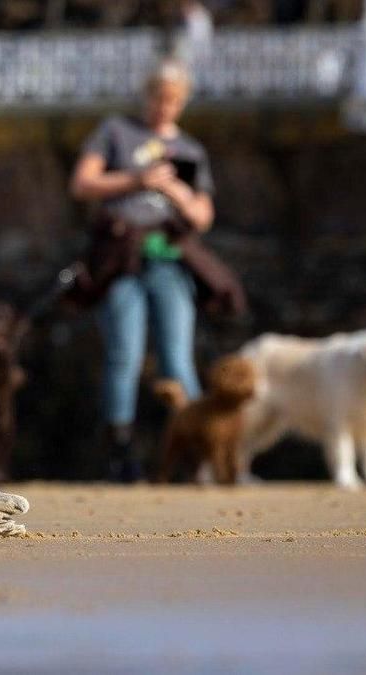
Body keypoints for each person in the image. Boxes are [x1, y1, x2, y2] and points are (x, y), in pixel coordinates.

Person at [69, 58, 234, 483]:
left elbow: (202, 216)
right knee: (124, 353)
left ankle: (202, 453)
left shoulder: (191, 151)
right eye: (159, 98)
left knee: (178, 357)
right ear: (146, 96)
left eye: (174, 101)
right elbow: (83, 184)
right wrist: (137, 180)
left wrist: (175, 189)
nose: (165, 108)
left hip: (169, 259)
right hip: (121, 259)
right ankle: (120, 453)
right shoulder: (116, 132)